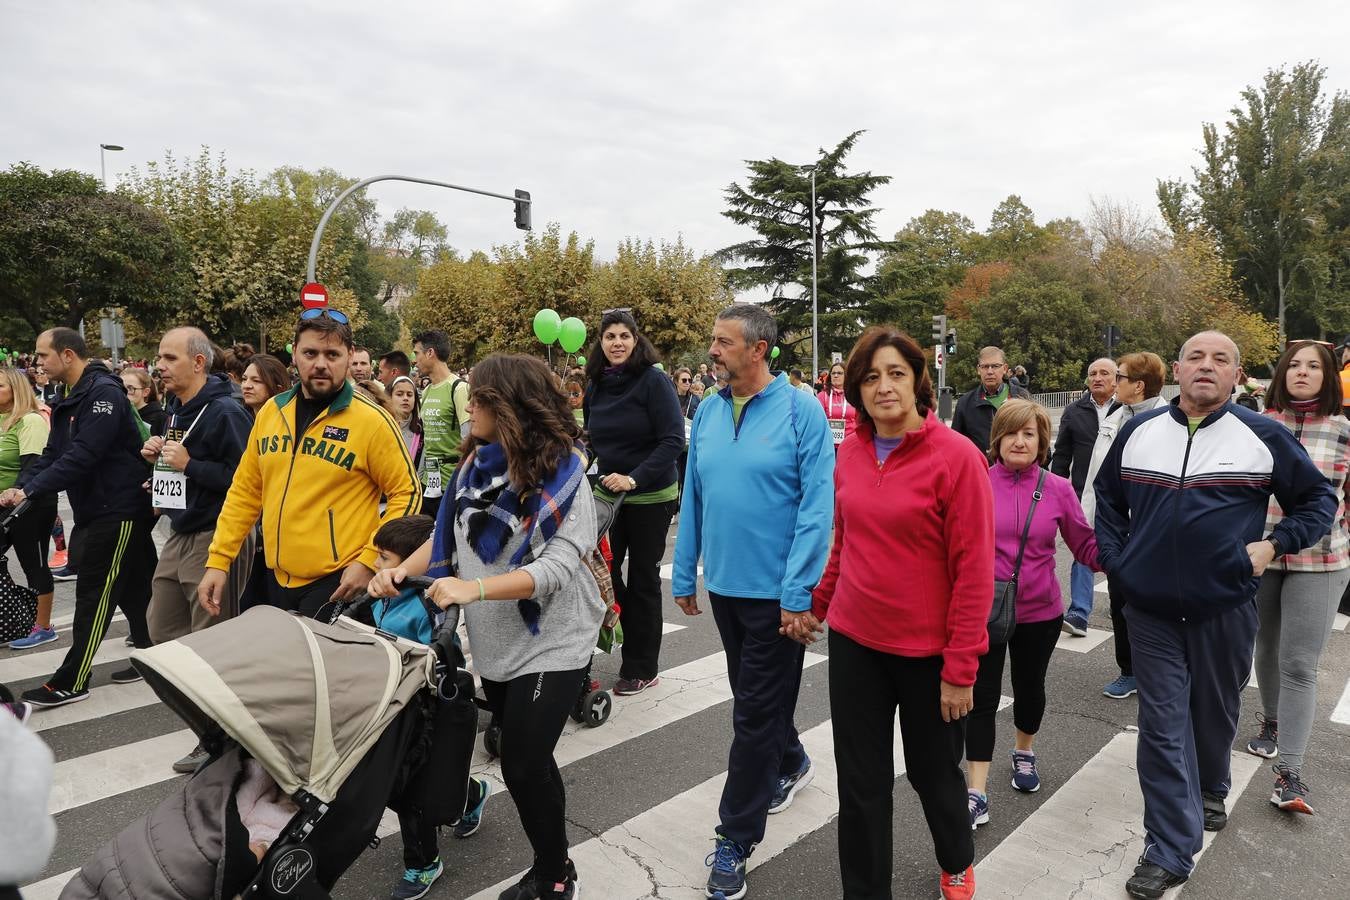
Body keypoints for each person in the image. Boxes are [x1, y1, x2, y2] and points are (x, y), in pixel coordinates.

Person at [1093, 331, 1336, 899]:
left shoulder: (1263, 434)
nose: (1206, 366)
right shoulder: (1138, 431)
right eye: (1196, 357)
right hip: (1149, 611)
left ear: (1237, 375)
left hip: (1225, 607)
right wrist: (1118, 562)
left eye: (1220, 359)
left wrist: (1273, 547)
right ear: (1177, 370)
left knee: (1215, 710)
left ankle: (1212, 788)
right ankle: (1170, 849)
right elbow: (1106, 501)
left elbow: (1319, 500)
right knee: (1161, 725)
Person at [369, 353, 600, 900]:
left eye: (480, 397)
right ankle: (554, 863)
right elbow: (446, 537)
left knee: (521, 762)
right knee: (525, 759)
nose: (468, 404)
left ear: (511, 407)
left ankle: (554, 875)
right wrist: (402, 569)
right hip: (495, 639)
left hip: (555, 639)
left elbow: (556, 569)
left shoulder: (568, 477)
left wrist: (470, 589)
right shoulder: (474, 468)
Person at [806, 326, 991, 900]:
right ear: (857, 389)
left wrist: (961, 669)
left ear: (918, 382)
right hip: (856, 643)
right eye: (870, 377)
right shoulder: (853, 453)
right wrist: (817, 603)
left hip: (928, 654)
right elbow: (843, 539)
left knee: (933, 775)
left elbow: (974, 571)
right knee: (860, 785)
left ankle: (957, 859)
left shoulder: (956, 457)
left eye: (895, 374)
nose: (883, 386)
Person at [672, 303, 834, 900]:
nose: (712, 351)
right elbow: (695, 493)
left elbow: (819, 507)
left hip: (778, 598)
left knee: (751, 716)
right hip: (725, 588)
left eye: (722, 342)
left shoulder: (802, 410)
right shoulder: (710, 411)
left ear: (759, 349)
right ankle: (789, 761)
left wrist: (799, 595)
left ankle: (735, 838)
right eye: (712, 340)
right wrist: (684, 570)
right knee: (755, 699)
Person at [197, 309, 420, 620]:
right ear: (295, 354)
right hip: (273, 576)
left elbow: (407, 493)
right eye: (310, 352)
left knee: (321, 670)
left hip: (337, 582)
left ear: (349, 355)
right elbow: (245, 493)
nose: (320, 364)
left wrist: (370, 560)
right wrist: (219, 561)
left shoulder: (373, 421)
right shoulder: (271, 412)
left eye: (332, 354)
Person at [1, 328, 155, 707]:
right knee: (137, 591)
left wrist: (33, 490)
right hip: (98, 510)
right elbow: (52, 454)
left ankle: (73, 680)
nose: (37, 363)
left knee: (94, 595)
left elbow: (85, 454)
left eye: (42, 355)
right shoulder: (72, 396)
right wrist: (24, 487)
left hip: (117, 510)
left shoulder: (102, 393)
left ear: (67, 355)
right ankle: (157, 658)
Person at [967, 399, 1099, 829]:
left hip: (1040, 612)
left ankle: (1024, 752)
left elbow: (1084, 546)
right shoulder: (977, 483)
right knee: (982, 697)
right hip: (983, 610)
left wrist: (1129, 558)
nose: (1019, 441)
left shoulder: (1058, 488)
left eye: (1029, 434)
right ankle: (976, 790)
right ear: (997, 439)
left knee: (1029, 688)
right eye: (1011, 433)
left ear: (1042, 442)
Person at [140, 328, 256, 774]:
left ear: (199, 362)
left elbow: (247, 481)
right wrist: (158, 457)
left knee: (210, 644)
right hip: (179, 530)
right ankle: (211, 731)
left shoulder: (225, 410)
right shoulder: (176, 407)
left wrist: (193, 465)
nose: (160, 365)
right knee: (162, 631)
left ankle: (225, 740)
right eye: (160, 356)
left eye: (169, 357)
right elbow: (178, 462)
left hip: (215, 535)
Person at [1244, 339, 1350, 816]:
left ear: (1330, 376)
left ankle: (1290, 773)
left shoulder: (1345, 432)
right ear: (1282, 372)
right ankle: (1271, 721)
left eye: (1314, 366)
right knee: (1264, 648)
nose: (1303, 373)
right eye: (1296, 365)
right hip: (1261, 556)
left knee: (1300, 664)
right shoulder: (1256, 427)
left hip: (1322, 562)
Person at [368, 514, 493, 899]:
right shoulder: (381, 600)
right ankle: (471, 794)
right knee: (427, 782)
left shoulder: (428, 608)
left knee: (413, 791)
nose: (377, 565)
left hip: (422, 711)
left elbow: (444, 657)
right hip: (387, 704)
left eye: (385, 558)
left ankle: (423, 865)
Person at [583, 309, 684, 695]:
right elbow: (593, 438)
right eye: (610, 336)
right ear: (601, 342)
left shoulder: (653, 382)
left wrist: (634, 476)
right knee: (603, 575)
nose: (618, 343)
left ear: (637, 340)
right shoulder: (596, 385)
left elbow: (673, 440)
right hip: (609, 496)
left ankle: (642, 666)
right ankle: (625, 642)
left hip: (650, 494)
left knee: (643, 580)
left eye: (625, 336)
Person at [1080, 351, 1170, 700]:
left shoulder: (1169, 421)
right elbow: (1095, 478)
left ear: (1139, 385)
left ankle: (1161, 672)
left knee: (1158, 605)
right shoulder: (1115, 416)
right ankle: (1128, 670)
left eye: (1120, 376)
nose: (1114, 381)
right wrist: (1088, 522)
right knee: (1120, 602)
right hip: (1117, 529)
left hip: (1153, 531)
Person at [1050, 358, 1118, 636]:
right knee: (1083, 551)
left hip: (1119, 498)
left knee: (1118, 551)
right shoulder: (1074, 411)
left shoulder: (1127, 410)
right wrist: (1054, 491)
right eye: (1092, 373)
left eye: (1104, 373)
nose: (1098, 377)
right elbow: (1062, 455)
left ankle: (1120, 604)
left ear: (1117, 379)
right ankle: (1079, 613)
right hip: (1082, 496)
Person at [1, 368, 59, 650]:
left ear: (16, 390)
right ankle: (16, 616)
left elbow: (34, 468)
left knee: (33, 565)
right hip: (4, 505)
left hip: (29, 505)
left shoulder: (31, 421)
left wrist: (15, 493)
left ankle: (44, 626)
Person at [413, 331, 471, 521]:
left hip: (451, 483)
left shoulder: (459, 388)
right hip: (427, 483)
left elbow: (469, 438)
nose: (415, 360)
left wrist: (462, 482)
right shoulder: (427, 390)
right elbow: (426, 441)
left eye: (417, 353)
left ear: (430, 353)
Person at [950, 347, 1030, 454]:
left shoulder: (1023, 397)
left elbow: (1038, 439)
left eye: (995, 366)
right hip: (980, 469)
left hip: (1017, 469)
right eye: (985, 367)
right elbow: (956, 446)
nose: (990, 371)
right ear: (978, 369)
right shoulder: (965, 404)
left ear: (1005, 368)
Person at [672, 367, 701, 501]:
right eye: (684, 380)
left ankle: (683, 508)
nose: (688, 382)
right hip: (673, 443)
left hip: (689, 446)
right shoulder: (669, 397)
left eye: (690, 380)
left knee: (686, 478)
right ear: (676, 381)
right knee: (675, 477)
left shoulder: (695, 399)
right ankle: (672, 508)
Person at [817, 361, 857, 449]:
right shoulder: (822, 396)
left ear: (846, 376)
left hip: (851, 444)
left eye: (839, 373)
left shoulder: (854, 395)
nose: (835, 375)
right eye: (833, 373)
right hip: (828, 445)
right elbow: (817, 421)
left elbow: (860, 420)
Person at [389, 375, 424, 466]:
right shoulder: (381, 426)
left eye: (409, 395)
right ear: (389, 397)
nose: (405, 398)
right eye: (399, 394)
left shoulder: (421, 429)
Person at [122, 366, 165, 435]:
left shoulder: (160, 418)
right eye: (121, 388)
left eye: (130, 388)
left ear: (145, 392)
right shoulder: (117, 414)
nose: (124, 393)